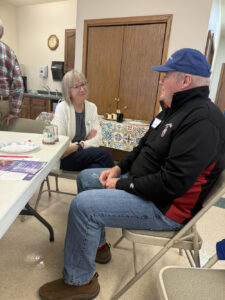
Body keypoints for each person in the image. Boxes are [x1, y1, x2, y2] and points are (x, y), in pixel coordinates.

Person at [39, 48, 225, 300]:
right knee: (86, 177)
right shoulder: (171, 110)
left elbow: (171, 184)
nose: (161, 80)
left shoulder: (203, 121)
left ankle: (79, 282)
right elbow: (141, 149)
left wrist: (122, 185)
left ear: (185, 80)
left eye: (166, 75)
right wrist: (117, 169)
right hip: (145, 187)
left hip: (164, 207)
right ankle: (98, 246)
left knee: (83, 206)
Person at [51, 70, 114, 172]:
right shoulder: (62, 108)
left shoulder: (92, 107)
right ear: (68, 91)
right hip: (66, 158)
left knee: (96, 169)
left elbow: (98, 138)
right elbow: (60, 145)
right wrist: (85, 141)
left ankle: (98, 186)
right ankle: (115, 185)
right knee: (104, 154)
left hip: (82, 153)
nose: (83, 89)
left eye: (84, 84)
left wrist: (79, 145)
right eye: (77, 86)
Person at [0, 19, 24, 127]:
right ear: (2, 33)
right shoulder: (9, 52)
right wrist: (14, 112)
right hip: (3, 104)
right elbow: (18, 85)